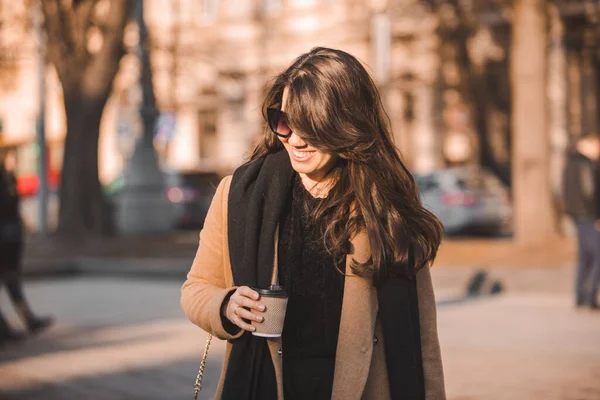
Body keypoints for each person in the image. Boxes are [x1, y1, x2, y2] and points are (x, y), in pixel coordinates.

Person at [181, 47, 445, 400]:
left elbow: (422, 338)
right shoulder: (240, 194)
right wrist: (226, 305)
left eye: (312, 127)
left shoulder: (386, 204)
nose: (296, 140)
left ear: (346, 125)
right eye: (284, 122)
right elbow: (196, 287)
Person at [0, 150, 53, 345]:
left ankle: (25, 320)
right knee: (11, 280)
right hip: (5, 236)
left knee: (12, 281)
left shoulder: (6, 175)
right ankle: (10, 326)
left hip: (8, 236)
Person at [563, 133, 600, 309]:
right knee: (597, 254)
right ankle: (590, 295)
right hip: (588, 216)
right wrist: (597, 216)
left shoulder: (570, 163)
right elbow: (589, 192)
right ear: (585, 144)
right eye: (596, 144)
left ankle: (581, 295)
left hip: (577, 216)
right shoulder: (585, 165)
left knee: (584, 256)